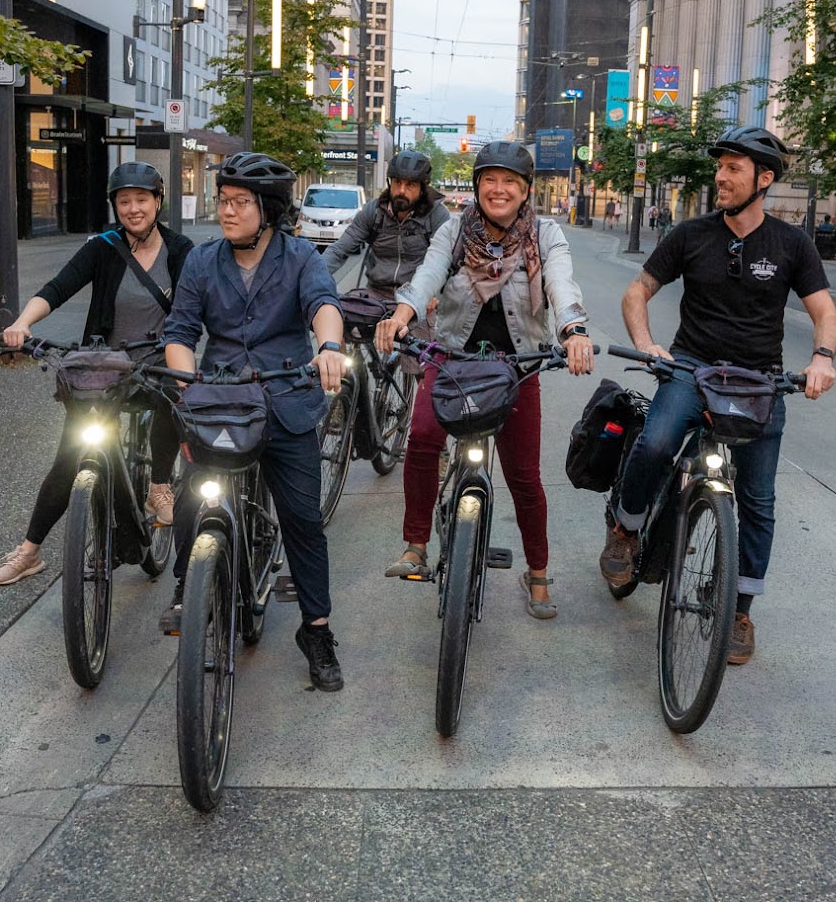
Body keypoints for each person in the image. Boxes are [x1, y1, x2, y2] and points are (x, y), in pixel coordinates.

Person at [604, 125, 836, 665]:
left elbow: (825, 312)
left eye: (733, 168)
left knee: (758, 498)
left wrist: (821, 359)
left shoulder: (791, 244)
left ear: (765, 178)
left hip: (760, 379)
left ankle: (739, 610)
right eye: (721, 166)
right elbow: (638, 290)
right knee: (658, 441)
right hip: (691, 367)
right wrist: (648, 345)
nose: (721, 176)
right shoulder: (691, 234)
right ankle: (627, 527)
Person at [375, 141, 594, 621]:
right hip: (452, 358)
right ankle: (416, 544)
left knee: (523, 475)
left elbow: (561, 283)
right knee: (424, 439)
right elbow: (428, 273)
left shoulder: (546, 234)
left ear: (525, 190)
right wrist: (403, 313)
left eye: (510, 182)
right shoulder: (454, 231)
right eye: (489, 180)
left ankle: (537, 572)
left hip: (518, 367)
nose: (499, 189)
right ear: (477, 187)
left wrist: (573, 329)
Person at [162, 151, 349, 692]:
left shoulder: (300, 258)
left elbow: (323, 304)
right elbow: (180, 332)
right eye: (223, 201)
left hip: (287, 398)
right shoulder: (202, 260)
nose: (227, 211)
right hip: (220, 400)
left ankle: (316, 630)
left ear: (268, 209)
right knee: (191, 500)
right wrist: (186, 385)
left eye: (240, 202)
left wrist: (330, 346)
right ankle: (188, 588)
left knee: (302, 522)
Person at [0, 162, 192, 586]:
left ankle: (159, 485)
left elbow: (202, 304)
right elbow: (58, 288)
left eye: (141, 199)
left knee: (172, 393)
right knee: (69, 459)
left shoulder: (181, 250)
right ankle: (29, 552)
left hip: (155, 362)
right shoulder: (103, 247)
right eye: (124, 202)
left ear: (158, 201)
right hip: (104, 368)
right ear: (115, 206)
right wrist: (23, 323)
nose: (133, 209)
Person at [321, 149, 451, 296]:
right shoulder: (374, 211)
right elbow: (339, 250)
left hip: (418, 296)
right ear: (390, 182)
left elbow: (442, 262)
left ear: (422, 189)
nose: (402, 190)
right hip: (376, 295)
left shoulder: (437, 215)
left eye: (410, 185)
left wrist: (433, 294)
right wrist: (313, 276)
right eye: (397, 182)